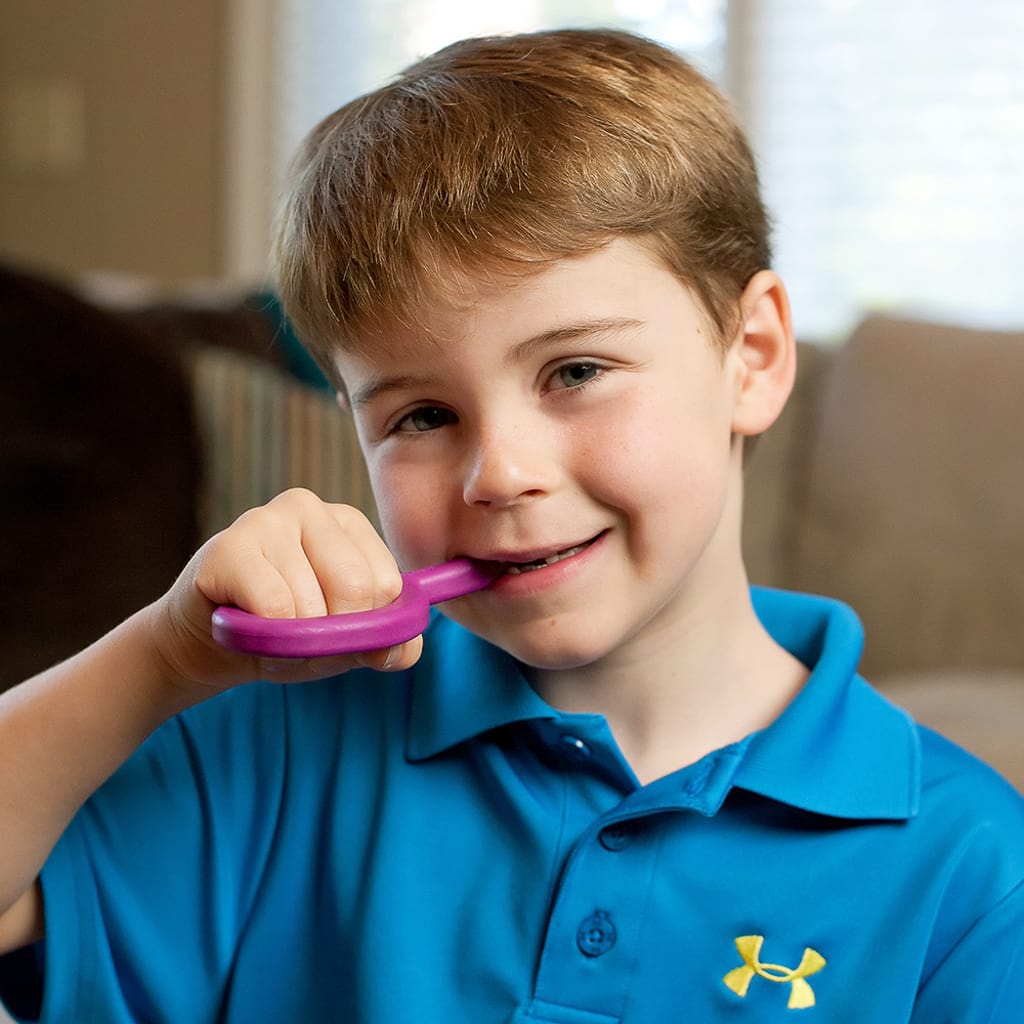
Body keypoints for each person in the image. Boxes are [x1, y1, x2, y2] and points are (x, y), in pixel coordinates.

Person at [1, 27, 1022, 1023]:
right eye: (423, 416)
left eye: (574, 372)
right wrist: (163, 656)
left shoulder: (968, 869)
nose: (500, 473)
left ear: (749, 355)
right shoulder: (266, 745)